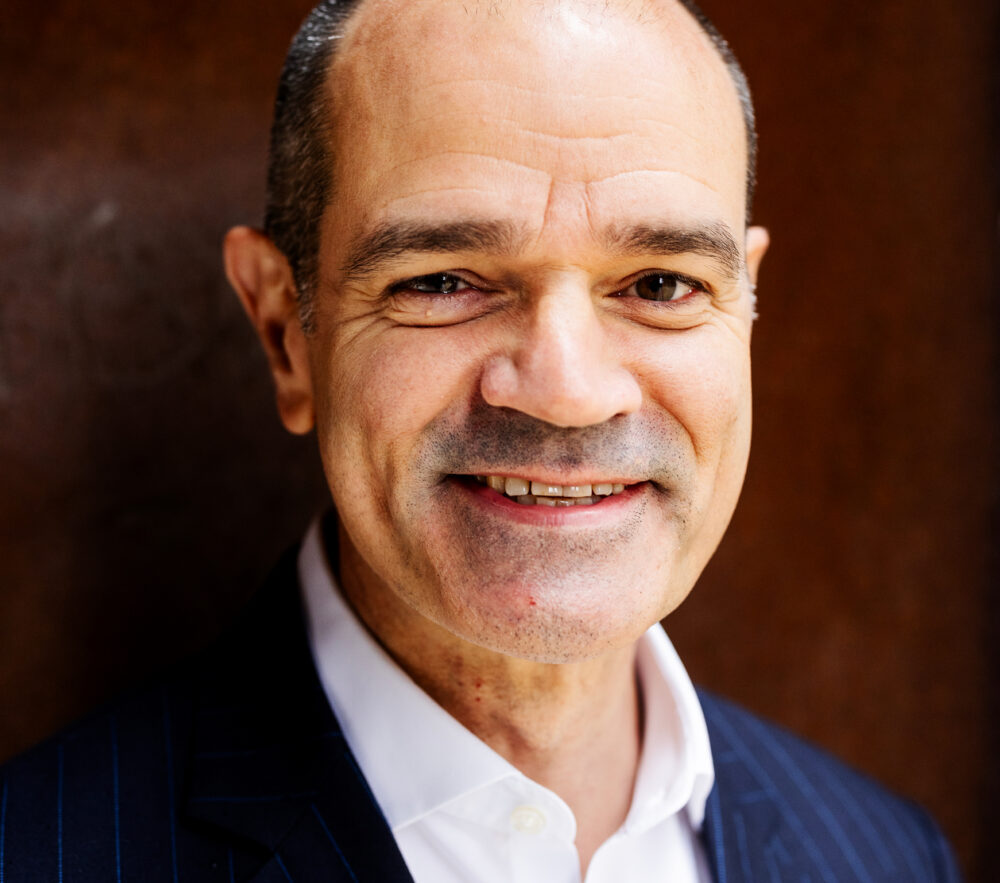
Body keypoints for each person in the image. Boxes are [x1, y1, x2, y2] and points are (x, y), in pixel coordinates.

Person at [0, 0, 964, 880]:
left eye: (661, 285)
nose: (568, 393)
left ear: (746, 307)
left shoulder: (888, 856)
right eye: (443, 280)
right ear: (286, 332)